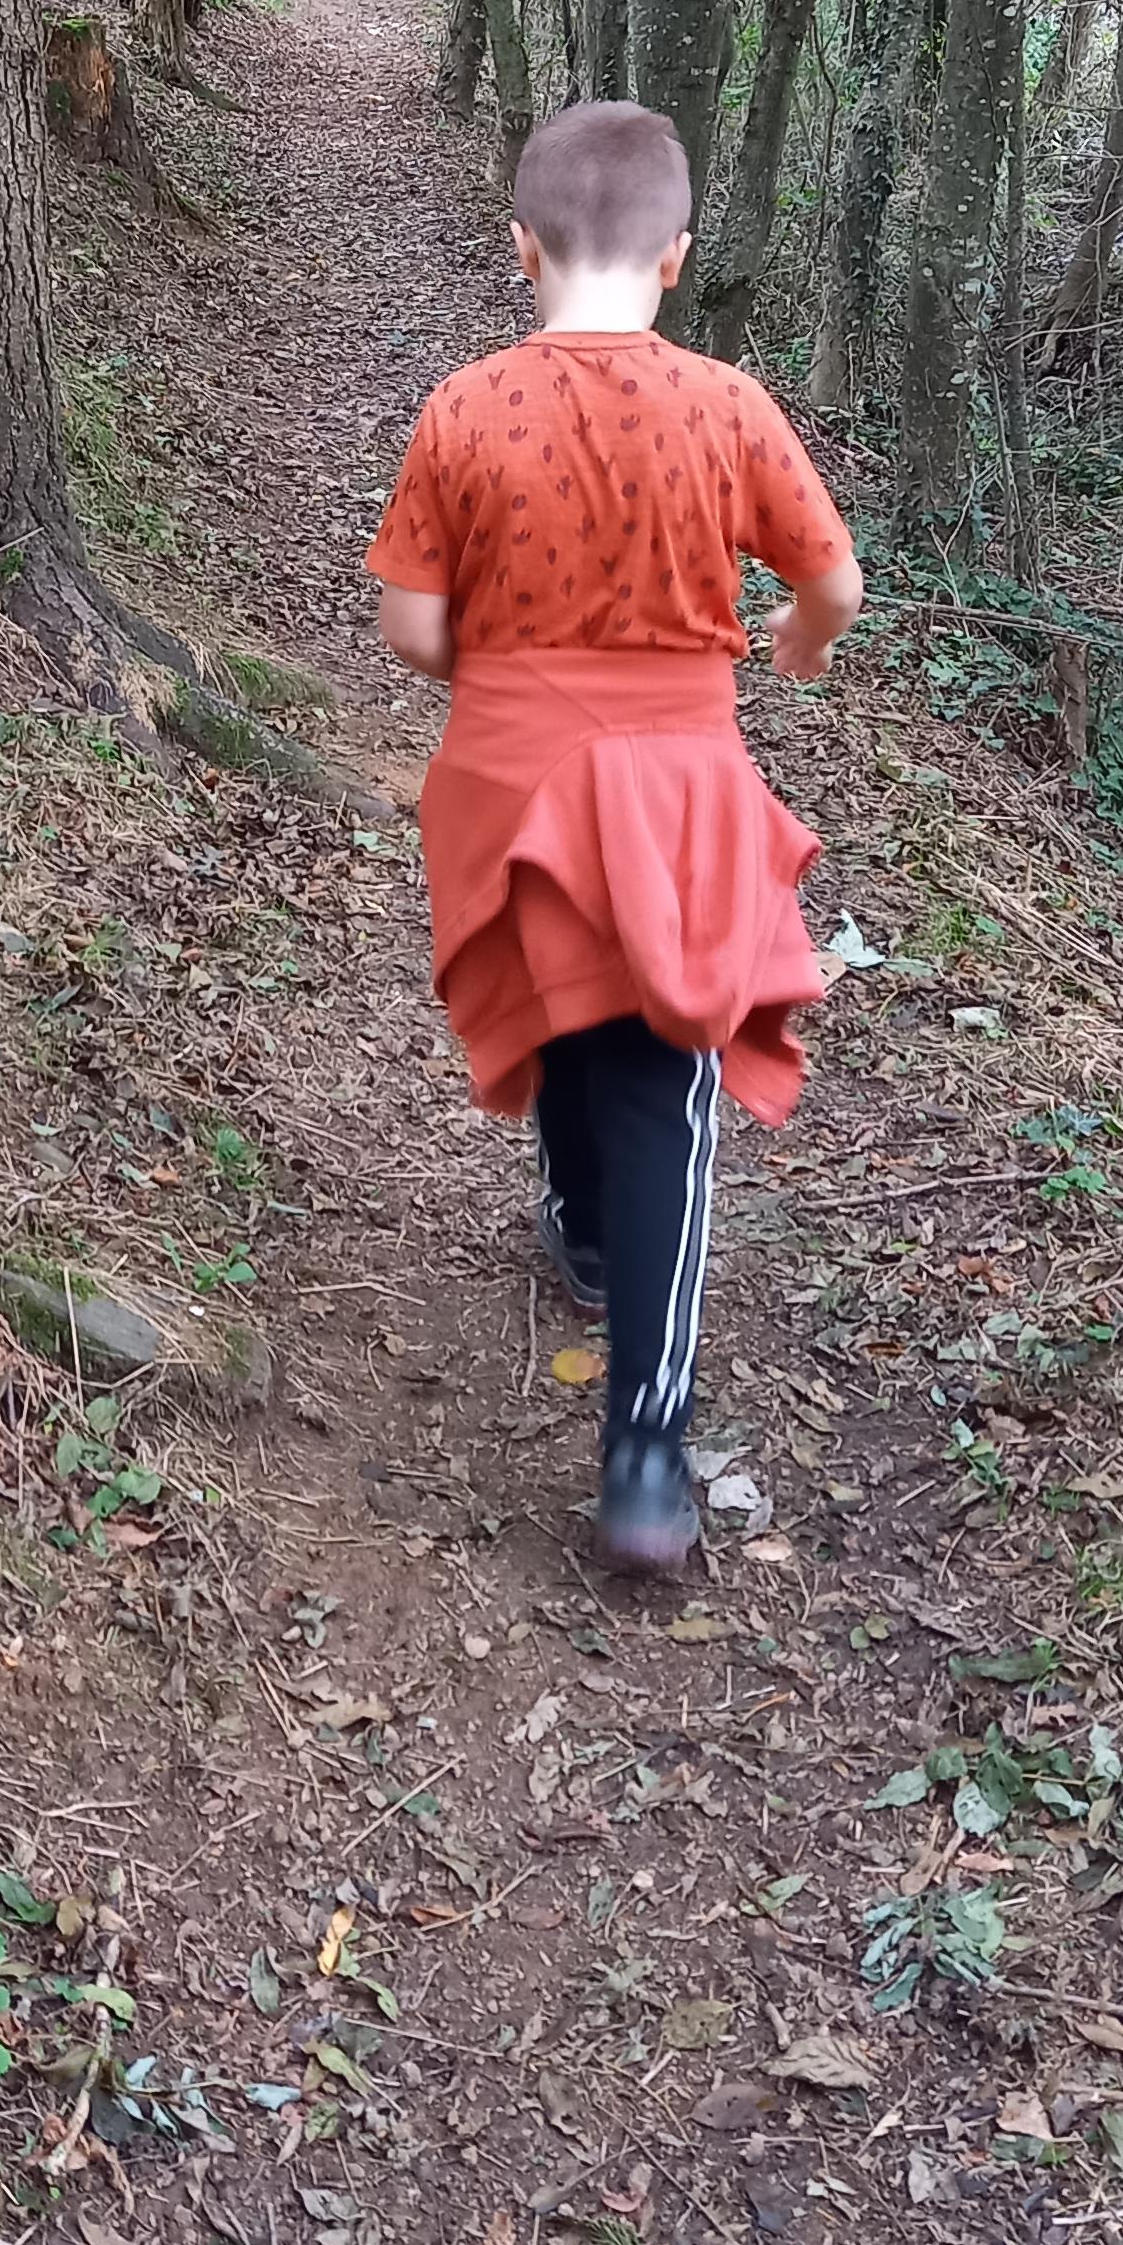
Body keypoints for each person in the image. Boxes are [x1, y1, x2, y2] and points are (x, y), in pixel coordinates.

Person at [365, 100, 863, 1571]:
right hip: (675, 787)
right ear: (677, 256)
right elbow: (832, 580)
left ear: (523, 248)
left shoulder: (464, 409)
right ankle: (645, 1458)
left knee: (564, 995)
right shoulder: (729, 405)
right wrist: (799, 639)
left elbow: (410, 629)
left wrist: (514, 670)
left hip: (509, 780)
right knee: (661, 1068)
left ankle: (581, 1225)